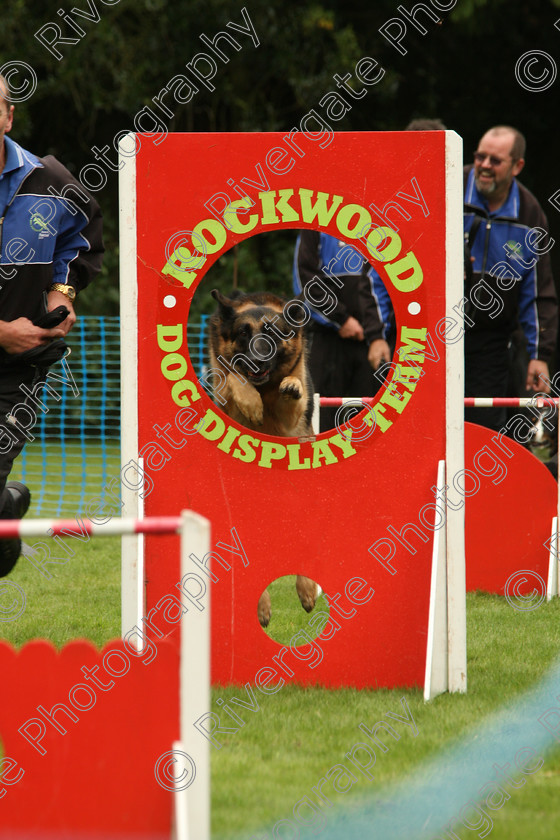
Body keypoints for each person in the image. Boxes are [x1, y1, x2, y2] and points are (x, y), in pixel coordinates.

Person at [0, 74, 104, 575]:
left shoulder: (50, 179)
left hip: (20, 368)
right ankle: (8, 501)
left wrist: (63, 290)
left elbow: (81, 234)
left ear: (8, 115)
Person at [464, 125, 557, 431]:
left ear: (518, 166)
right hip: (433, 337)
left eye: (495, 160)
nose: (485, 166)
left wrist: (539, 355)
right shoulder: (449, 185)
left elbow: (538, 293)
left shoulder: (530, 214)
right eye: (480, 156)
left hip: (491, 342)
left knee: (483, 427)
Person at [293, 230, 391, 431]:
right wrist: (341, 319)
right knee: (322, 417)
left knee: (372, 418)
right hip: (327, 337)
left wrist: (376, 332)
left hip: (373, 340)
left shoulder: (380, 224)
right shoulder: (314, 226)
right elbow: (305, 280)